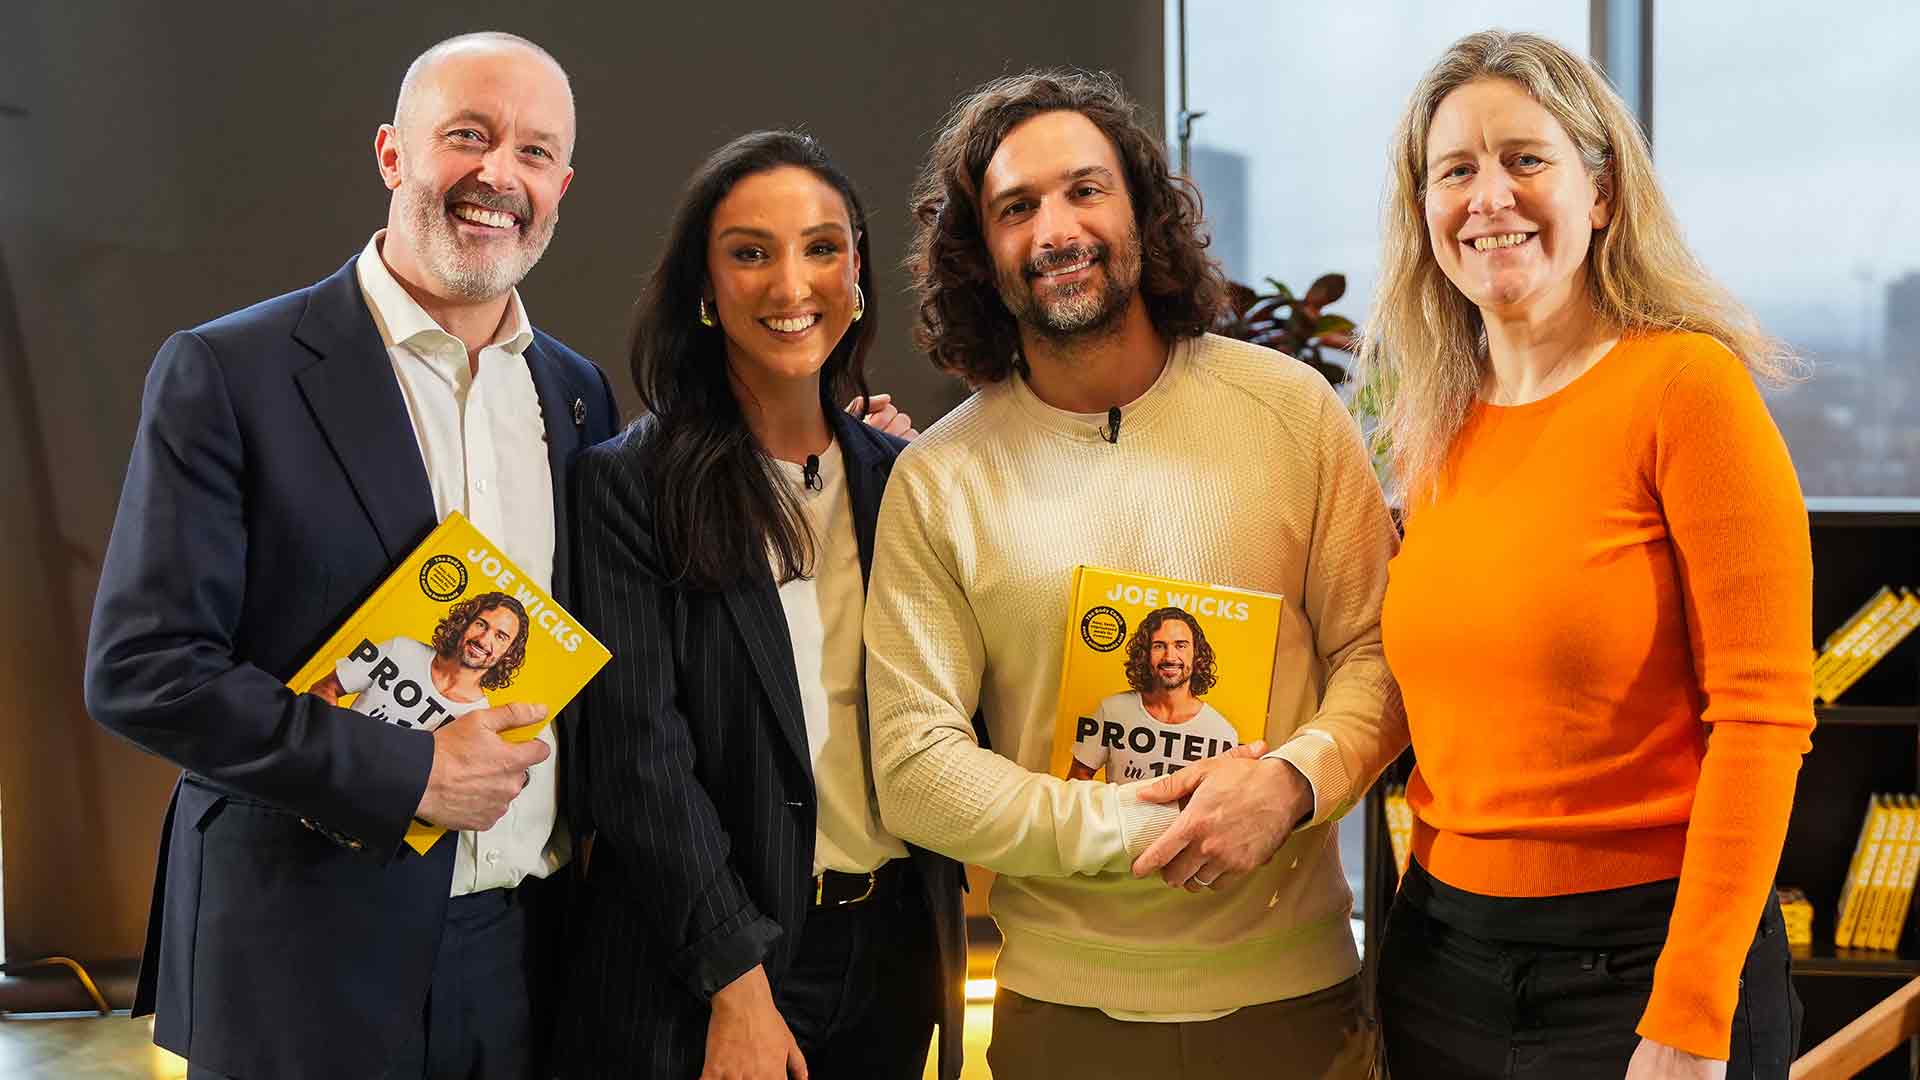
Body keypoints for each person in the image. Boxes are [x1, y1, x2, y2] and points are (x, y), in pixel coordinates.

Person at [79, 31, 913, 1080]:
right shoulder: (231, 371)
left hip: (530, 956)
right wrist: (408, 771)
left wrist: (849, 457)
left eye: (533, 151)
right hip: (302, 953)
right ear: (393, 154)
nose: (498, 174)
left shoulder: (574, 394)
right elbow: (144, 671)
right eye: (467, 136)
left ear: (561, 186)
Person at [864, 69, 1404, 1079]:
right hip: (1062, 1018)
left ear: (1143, 211)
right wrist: (1135, 825)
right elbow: (917, 770)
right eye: (1016, 208)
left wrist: (1289, 785)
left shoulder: (1293, 412)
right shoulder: (939, 479)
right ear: (980, 252)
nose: (1056, 229)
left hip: (1300, 1005)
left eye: (1085, 190)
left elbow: (1378, 656)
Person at [1356, 30, 1812, 1080]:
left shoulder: (1686, 388)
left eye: (1526, 158)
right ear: (1423, 211)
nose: (1489, 197)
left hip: (1647, 967)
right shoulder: (1432, 424)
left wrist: (1693, 1011)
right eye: (1455, 171)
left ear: (1600, 193)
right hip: (1443, 959)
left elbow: (1763, 718)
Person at [557, 131, 964, 1080]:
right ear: (704, 285)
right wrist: (736, 987)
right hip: (708, 971)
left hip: (893, 952)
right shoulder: (628, 485)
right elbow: (639, 763)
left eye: (822, 248)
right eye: (751, 252)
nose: (791, 285)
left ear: (856, 273)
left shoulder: (905, 477)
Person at [309, 593, 532, 729]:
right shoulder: (400, 650)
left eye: (500, 636)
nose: (483, 640)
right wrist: (333, 742)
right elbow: (325, 688)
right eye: (481, 624)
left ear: (509, 653)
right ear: (465, 622)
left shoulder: (477, 718)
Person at [1069, 607, 1240, 782]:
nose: (1170, 657)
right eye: (1159, 646)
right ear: (1145, 654)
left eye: (1180, 645)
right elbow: (1077, 780)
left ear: (1196, 653)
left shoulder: (1221, 734)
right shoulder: (1111, 711)